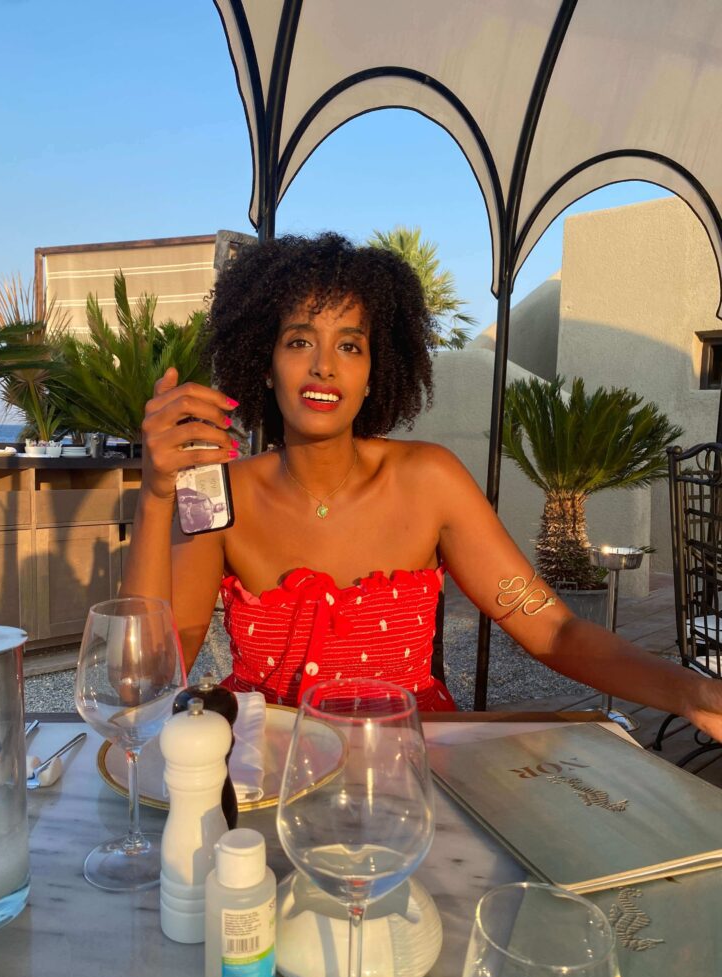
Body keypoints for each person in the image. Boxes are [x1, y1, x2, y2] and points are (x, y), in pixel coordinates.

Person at [121, 232, 722, 739]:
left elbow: (555, 630)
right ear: (264, 361)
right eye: (299, 340)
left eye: (350, 345)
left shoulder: (428, 480)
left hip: (408, 771)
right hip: (266, 774)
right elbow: (143, 679)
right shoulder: (217, 494)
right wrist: (154, 498)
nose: (324, 365)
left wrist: (691, 692)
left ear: (374, 371)